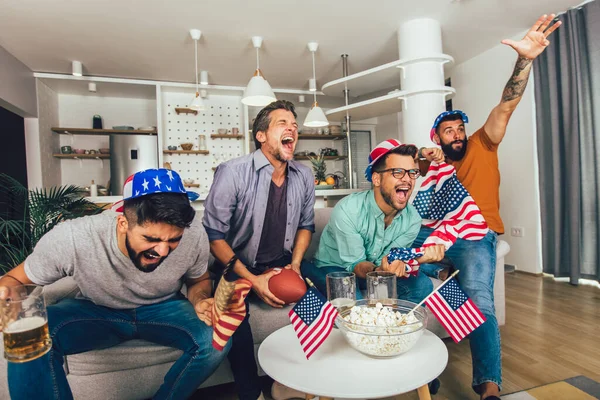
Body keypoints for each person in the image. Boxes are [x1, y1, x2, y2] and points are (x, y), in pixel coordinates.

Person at [416, 14, 561, 400]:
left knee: (480, 296)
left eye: (460, 128)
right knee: (400, 269)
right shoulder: (434, 168)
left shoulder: (483, 142)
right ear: (438, 137)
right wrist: (421, 160)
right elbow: (411, 199)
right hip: (439, 236)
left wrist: (525, 59)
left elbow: (506, 105)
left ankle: (489, 388)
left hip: (477, 235)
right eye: (449, 131)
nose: (458, 134)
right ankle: (422, 374)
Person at [0, 168, 227, 400]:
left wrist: (199, 299)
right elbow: (15, 279)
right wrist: (8, 296)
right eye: (151, 239)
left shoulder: (194, 233)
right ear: (122, 223)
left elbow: (198, 280)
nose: (162, 250)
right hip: (97, 311)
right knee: (26, 336)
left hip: (165, 308)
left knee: (219, 336)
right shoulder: (73, 238)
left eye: (173, 240)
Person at [202, 100, 315, 400]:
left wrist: (296, 265)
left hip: (279, 262)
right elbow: (214, 237)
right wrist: (253, 280)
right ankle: (252, 394)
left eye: (294, 124)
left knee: (317, 304)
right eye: (283, 123)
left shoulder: (303, 175)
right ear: (261, 136)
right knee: (236, 321)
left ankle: (293, 382)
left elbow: (306, 224)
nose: (292, 128)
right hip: (235, 265)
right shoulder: (233, 172)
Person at [301, 139, 445, 304]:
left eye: (412, 172)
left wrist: (407, 261)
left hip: (377, 268)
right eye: (398, 172)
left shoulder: (412, 219)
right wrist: (383, 270)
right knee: (353, 303)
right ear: (376, 179)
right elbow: (356, 264)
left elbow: (389, 261)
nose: (408, 179)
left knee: (421, 285)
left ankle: (393, 326)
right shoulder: (348, 209)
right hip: (336, 268)